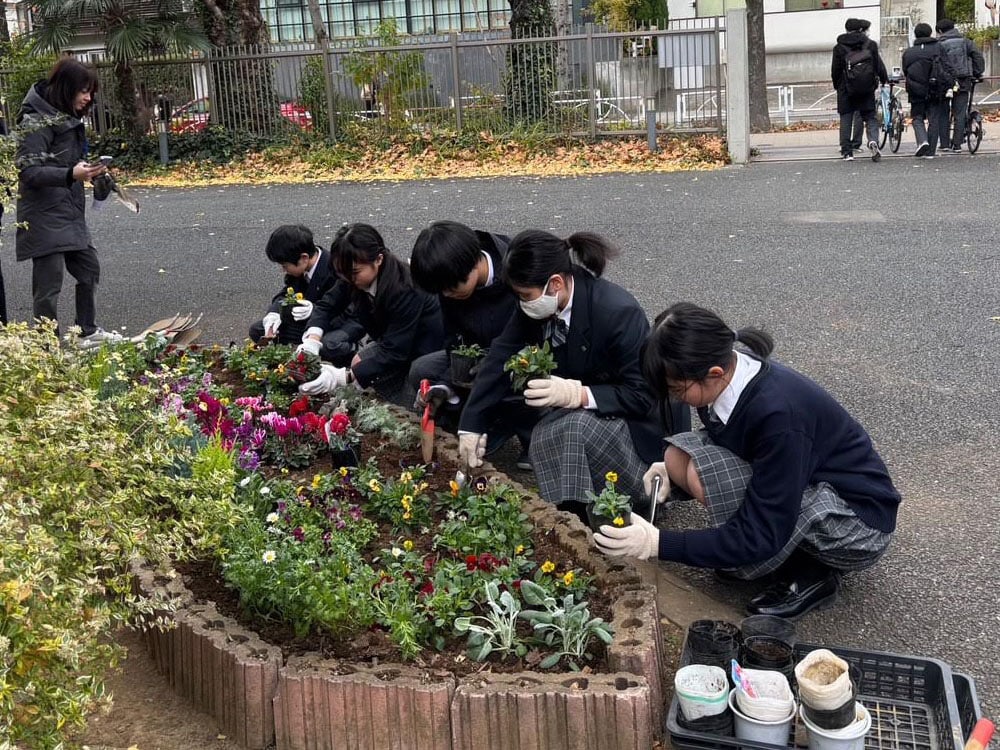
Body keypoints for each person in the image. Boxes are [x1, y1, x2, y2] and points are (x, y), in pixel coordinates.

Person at [594, 302, 901, 619]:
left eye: (676, 389)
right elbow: (730, 440)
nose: (674, 398)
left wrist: (658, 543)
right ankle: (752, 551)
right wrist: (669, 472)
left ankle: (810, 571)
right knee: (676, 457)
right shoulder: (728, 372)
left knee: (707, 479)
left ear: (714, 374)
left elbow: (761, 531)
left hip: (856, 524)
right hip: (808, 478)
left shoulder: (779, 416)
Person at [456, 229, 690, 514]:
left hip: (637, 427)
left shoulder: (617, 312)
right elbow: (501, 356)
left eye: (525, 295)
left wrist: (579, 394)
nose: (522, 303)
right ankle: (573, 514)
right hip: (595, 413)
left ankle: (624, 504)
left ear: (555, 283)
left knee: (574, 428)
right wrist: (471, 424)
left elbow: (642, 394)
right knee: (546, 431)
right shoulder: (541, 303)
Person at [14, 58, 121, 346]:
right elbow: (28, 171)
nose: (88, 98)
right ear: (66, 87)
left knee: (89, 269)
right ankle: (46, 346)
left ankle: (86, 330)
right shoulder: (35, 121)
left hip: (68, 212)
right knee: (49, 285)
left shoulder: (66, 117)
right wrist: (70, 174)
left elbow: (70, 163)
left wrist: (91, 173)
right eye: (84, 91)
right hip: (42, 215)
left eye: (91, 92)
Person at [407, 221, 522, 455]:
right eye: (442, 291)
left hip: (521, 354)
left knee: (520, 374)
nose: (447, 295)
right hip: (478, 353)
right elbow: (454, 342)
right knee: (423, 369)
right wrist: (444, 386)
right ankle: (463, 417)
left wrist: (490, 364)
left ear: (473, 262)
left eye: (451, 288)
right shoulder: (449, 281)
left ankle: (521, 430)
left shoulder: (518, 269)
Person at [297, 223, 443, 403]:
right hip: (390, 340)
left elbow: (395, 351)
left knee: (407, 405)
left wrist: (345, 376)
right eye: (342, 273)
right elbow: (327, 305)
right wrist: (312, 340)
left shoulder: (405, 288)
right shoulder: (351, 276)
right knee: (359, 362)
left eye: (354, 272)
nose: (347, 279)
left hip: (420, 351)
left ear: (378, 259)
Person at [248, 224, 360, 349]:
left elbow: (348, 311)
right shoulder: (301, 269)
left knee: (329, 345)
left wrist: (314, 311)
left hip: (338, 324)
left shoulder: (334, 269)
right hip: (310, 322)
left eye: (285, 265)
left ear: (304, 258)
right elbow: (286, 292)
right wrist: (274, 313)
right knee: (259, 329)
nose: (283, 270)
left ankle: (351, 349)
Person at [831, 18, 888, 162]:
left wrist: (837, 85)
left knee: (846, 118)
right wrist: (883, 79)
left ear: (846, 29)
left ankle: (847, 152)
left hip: (846, 87)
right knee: (870, 117)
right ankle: (873, 140)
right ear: (861, 29)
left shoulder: (839, 47)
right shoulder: (870, 44)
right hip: (866, 87)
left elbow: (835, 70)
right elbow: (878, 65)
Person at [935, 19, 985, 153]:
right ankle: (957, 144)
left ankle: (944, 144)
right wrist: (977, 73)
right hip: (963, 80)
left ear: (940, 31)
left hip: (944, 83)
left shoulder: (938, 44)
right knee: (960, 113)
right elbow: (978, 57)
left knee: (943, 112)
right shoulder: (966, 42)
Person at [902, 23, 948, 159]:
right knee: (934, 119)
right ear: (930, 33)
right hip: (935, 88)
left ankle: (922, 141)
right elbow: (946, 66)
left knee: (917, 117)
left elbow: (905, 70)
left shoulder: (909, 52)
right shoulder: (938, 48)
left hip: (915, 89)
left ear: (916, 35)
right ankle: (931, 151)